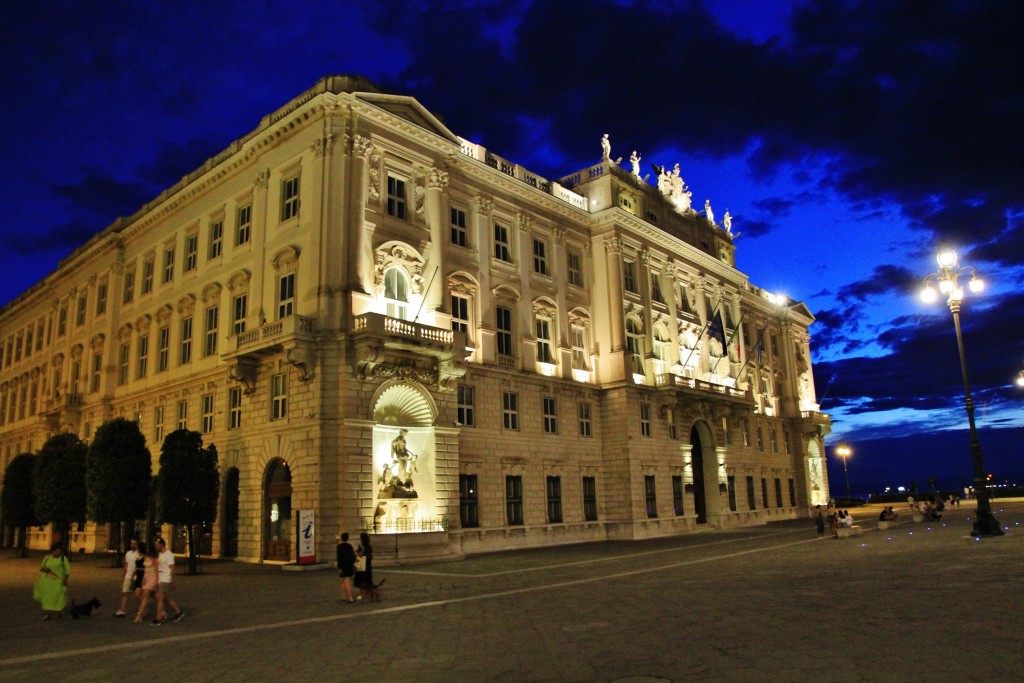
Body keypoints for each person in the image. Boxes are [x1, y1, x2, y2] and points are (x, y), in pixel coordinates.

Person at [34, 542, 70, 620]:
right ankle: (47, 613)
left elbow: (67, 571)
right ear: (52, 551)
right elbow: (41, 567)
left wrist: (65, 580)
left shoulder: (63, 558)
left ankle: (58, 612)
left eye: (60, 551)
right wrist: (46, 569)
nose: (58, 553)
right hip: (48, 581)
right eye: (57, 551)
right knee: (48, 597)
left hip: (58, 581)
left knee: (58, 596)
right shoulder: (47, 558)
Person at [155, 537, 185, 624]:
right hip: (160, 578)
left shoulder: (169, 554)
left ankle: (158, 618)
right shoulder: (160, 554)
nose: (156, 547)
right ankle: (178, 611)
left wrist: (172, 579)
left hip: (166, 578)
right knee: (164, 598)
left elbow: (172, 567)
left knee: (160, 597)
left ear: (162, 545)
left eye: (157, 545)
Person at [133, 542, 159, 624]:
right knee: (156, 597)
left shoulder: (154, 558)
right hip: (146, 577)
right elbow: (145, 569)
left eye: (148, 548)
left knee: (145, 595)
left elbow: (156, 570)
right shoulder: (147, 557)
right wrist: (143, 578)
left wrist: (157, 581)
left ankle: (139, 615)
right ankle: (161, 611)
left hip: (153, 577)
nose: (147, 549)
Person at [114, 537, 140, 617]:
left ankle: (141, 610)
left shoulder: (139, 554)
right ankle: (122, 610)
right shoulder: (128, 554)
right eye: (132, 543)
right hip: (128, 576)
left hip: (136, 577)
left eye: (134, 544)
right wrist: (124, 575)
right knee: (124, 593)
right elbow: (126, 565)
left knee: (137, 595)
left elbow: (139, 567)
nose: (133, 545)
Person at [337, 532, 357, 604]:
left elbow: (339, 558)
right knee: (343, 581)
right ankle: (343, 596)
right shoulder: (349, 546)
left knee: (345, 582)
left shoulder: (339, 547)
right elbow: (354, 556)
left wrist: (339, 567)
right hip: (349, 566)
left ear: (342, 538)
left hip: (343, 566)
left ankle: (350, 598)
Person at [356, 532, 376, 602]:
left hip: (362, 563)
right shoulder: (369, 546)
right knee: (368, 579)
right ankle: (371, 593)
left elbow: (359, 556)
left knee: (361, 580)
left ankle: (362, 594)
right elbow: (371, 556)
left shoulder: (361, 546)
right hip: (368, 563)